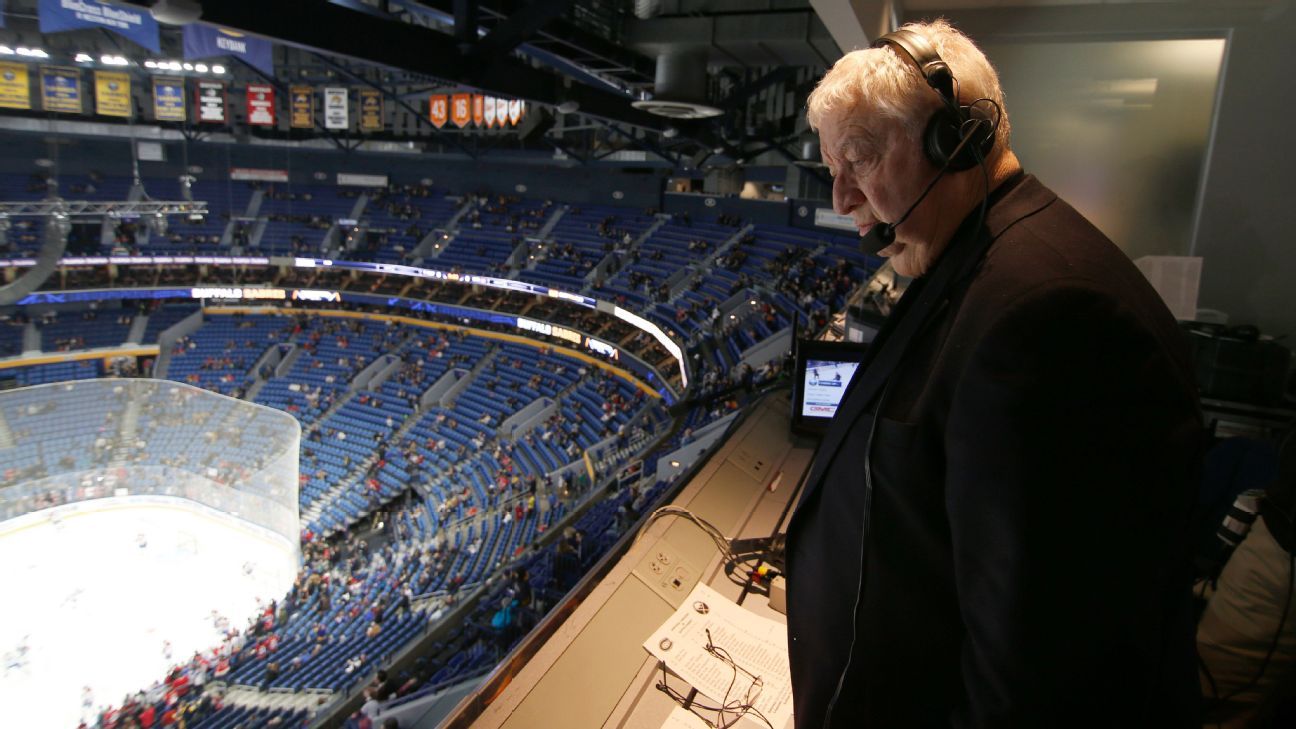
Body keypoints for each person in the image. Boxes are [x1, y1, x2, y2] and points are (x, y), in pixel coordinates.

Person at [785, 19, 1204, 728]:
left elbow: (1033, 675)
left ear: (957, 143)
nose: (842, 200)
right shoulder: (976, 255)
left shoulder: (1048, 318)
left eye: (857, 162)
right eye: (832, 169)